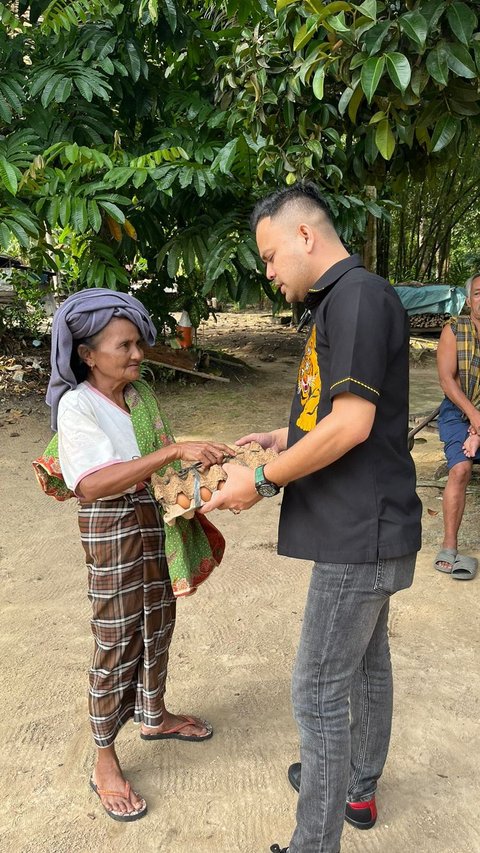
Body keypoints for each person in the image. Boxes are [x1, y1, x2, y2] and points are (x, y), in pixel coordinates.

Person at [200, 183, 422, 853]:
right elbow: (342, 412)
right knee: (364, 665)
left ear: (305, 237)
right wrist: (283, 437)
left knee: (318, 688)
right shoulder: (353, 300)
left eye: (270, 256)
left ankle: (312, 842)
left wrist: (261, 481)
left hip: (360, 533)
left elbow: (352, 425)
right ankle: (354, 782)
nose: (269, 273)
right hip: (372, 527)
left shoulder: (353, 298)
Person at [39, 288, 231, 822]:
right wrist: (172, 451)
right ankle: (103, 756)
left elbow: (158, 459)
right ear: (86, 354)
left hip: (152, 517)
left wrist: (211, 469)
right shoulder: (77, 406)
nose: (137, 355)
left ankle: (154, 714)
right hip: (112, 525)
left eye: (138, 344)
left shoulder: (139, 395)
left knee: (157, 619)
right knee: (117, 635)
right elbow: (93, 484)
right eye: (124, 346)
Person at [434, 272, 480, 579]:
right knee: (460, 469)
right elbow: (447, 381)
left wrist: (477, 432)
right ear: (468, 300)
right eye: (478, 293)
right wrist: (475, 419)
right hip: (458, 409)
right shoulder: (455, 329)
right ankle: (449, 545)